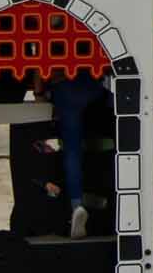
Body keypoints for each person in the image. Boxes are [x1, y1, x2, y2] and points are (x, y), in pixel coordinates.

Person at [32, 69, 106, 237]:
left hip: (64, 86)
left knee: (72, 149)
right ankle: (101, 201)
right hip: (94, 88)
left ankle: (76, 205)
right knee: (99, 144)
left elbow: (39, 67)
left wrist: (39, 93)